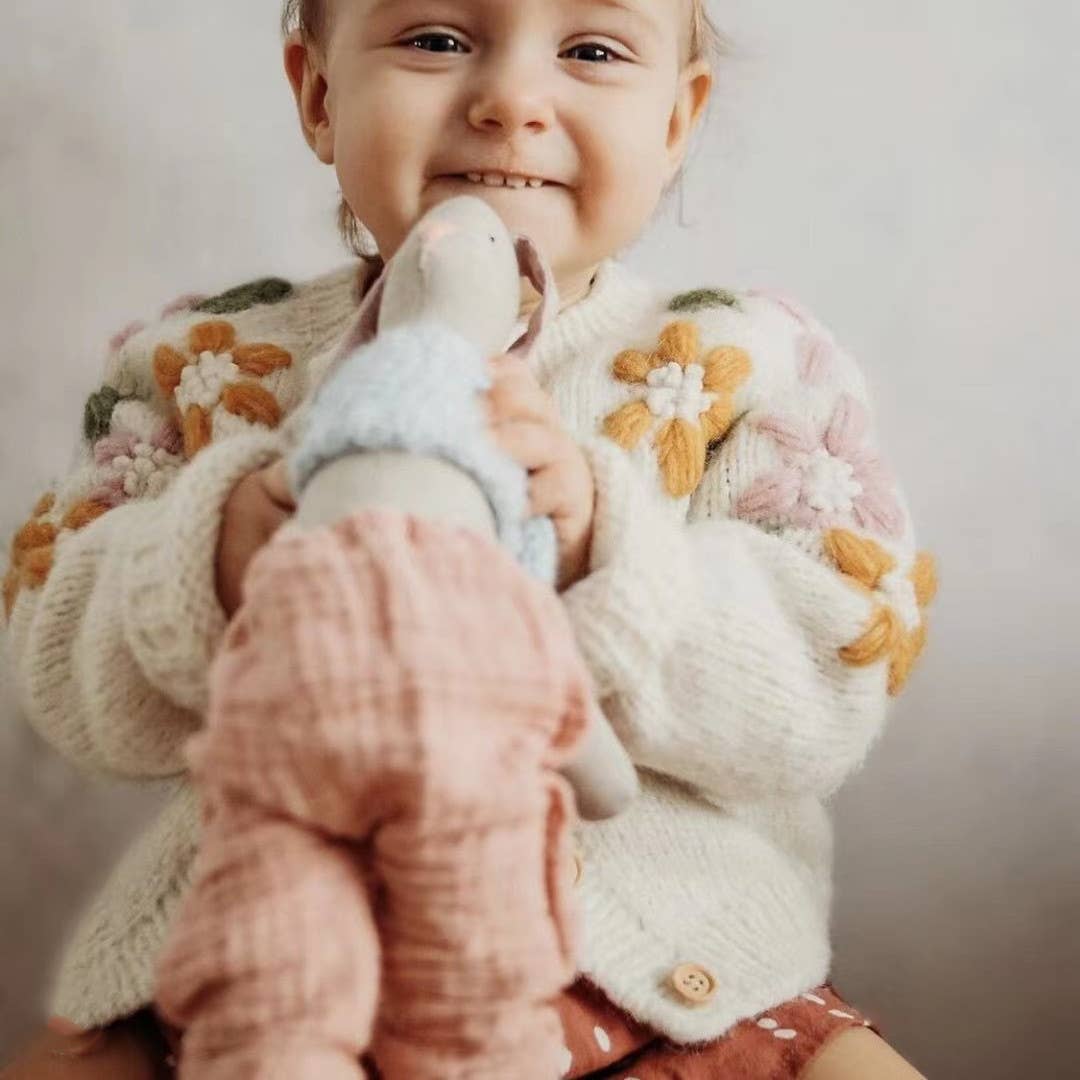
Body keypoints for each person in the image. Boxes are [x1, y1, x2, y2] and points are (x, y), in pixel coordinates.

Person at [1, 0, 937, 1077]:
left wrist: (605, 557)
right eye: (437, 40)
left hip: (679, 984)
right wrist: (215, 561)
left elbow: (833, 672)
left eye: (591, 50)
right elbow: (56, 655)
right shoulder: (208, 363)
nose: (510, 104)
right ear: (317, 93)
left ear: (678, 122)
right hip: (261, 966)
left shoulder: (742, 362)